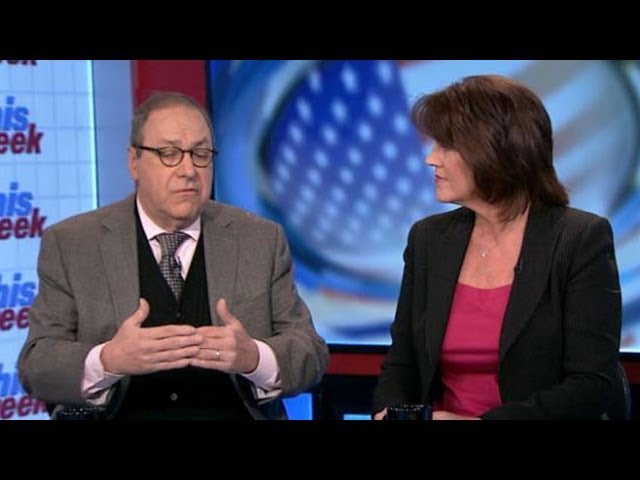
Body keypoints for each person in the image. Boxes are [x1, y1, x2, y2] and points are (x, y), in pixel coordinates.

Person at [18, 91, 329, 420]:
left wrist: (254, 357)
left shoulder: (260, 239)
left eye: (201, 154)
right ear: (134, 162)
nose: (188, 170)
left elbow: (310, 353)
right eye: (169, 154)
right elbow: (37, 365)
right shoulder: (73, 244)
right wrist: (108, 360)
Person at [372, 75, 622, 420]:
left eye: (446, 146)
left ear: (495, 150)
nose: (431, 159)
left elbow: (591, 385)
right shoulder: (428, 239)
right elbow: (402, 363)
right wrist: (389, 413)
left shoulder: (579, 238)